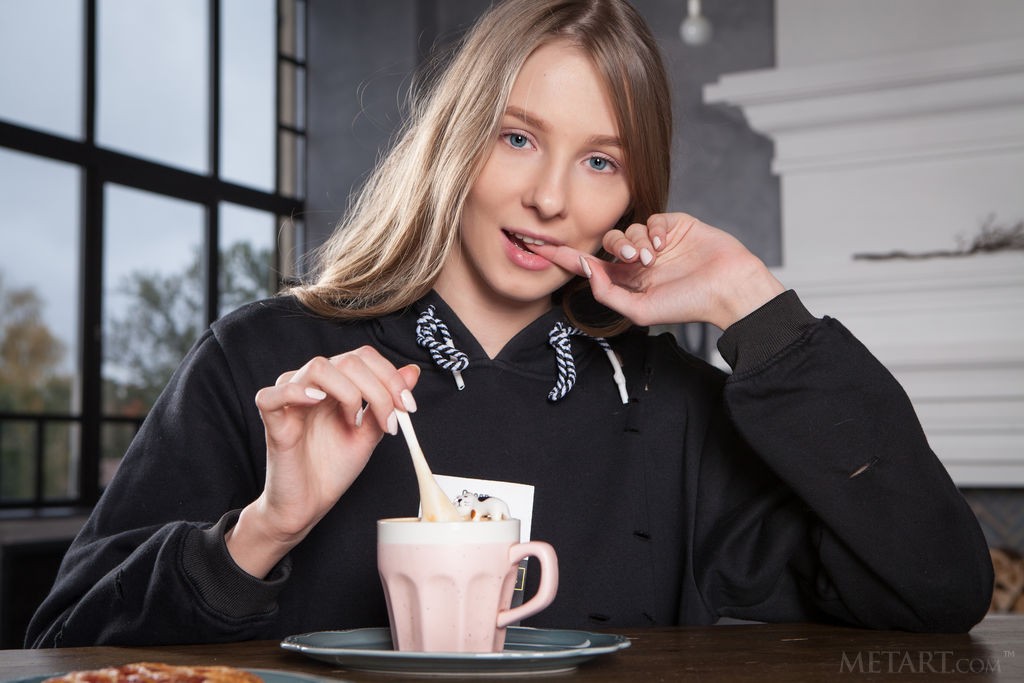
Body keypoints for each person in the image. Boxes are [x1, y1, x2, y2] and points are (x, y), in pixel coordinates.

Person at [28, 0, 992, 647]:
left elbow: (938, 587)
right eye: (518, 137)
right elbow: (62, 641)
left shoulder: (673, 408)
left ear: (634, 194)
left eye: (601, 161)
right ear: (456, 141)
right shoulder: (266, 356)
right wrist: (264, 529)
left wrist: (757, 307)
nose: (549, 198)